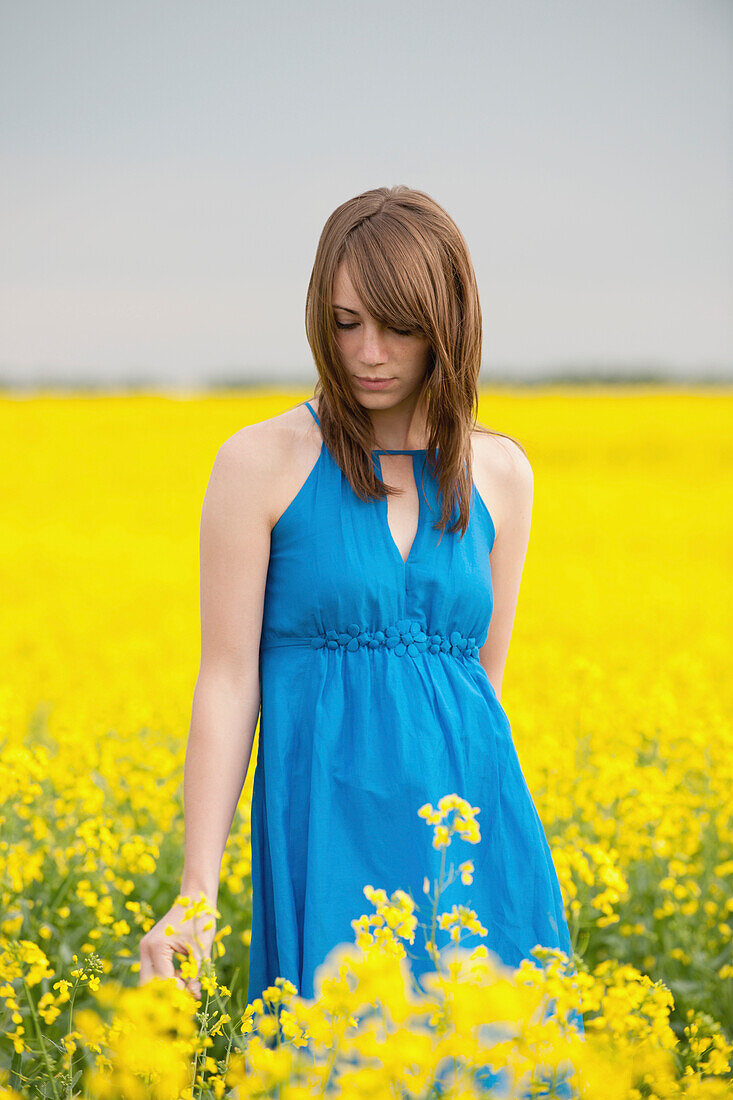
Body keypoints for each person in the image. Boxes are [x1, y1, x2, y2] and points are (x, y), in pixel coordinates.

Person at [138, 185, 573, 1008]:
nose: (369, 352)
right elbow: (228, 681)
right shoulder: (259, 463)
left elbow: (484, 690)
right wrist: (198, 889)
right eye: (345, 324)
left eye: (398, 325)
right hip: (328, 838)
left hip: (474, 847)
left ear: (447, 324)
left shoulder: (502, 474)